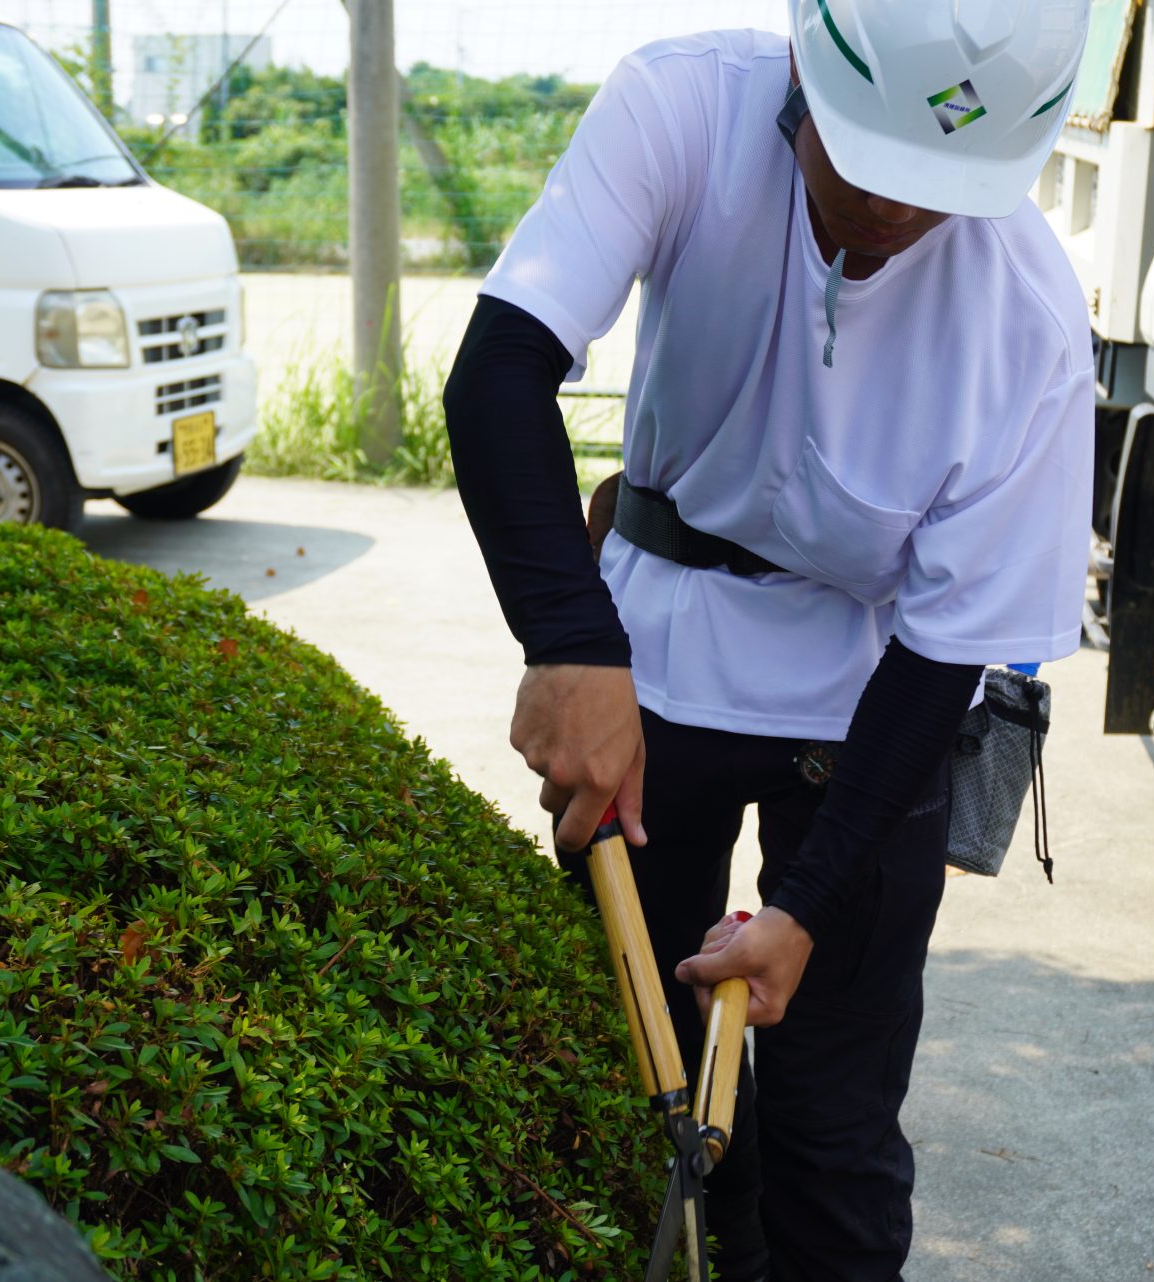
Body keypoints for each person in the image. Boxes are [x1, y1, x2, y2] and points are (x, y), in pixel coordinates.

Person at [442, 3, 1093, 1277]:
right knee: (635, 1082)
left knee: (832, 1130)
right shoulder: (680, 105)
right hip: (652, 659)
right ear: (805, 67)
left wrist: (801, 905)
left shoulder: (1030, 318)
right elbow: (497, 372)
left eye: (934, 189)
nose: (893, 214)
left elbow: (940, 653)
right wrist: (571, 647)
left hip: (872, 693)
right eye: (868, 167)